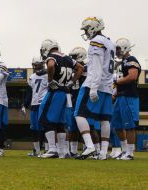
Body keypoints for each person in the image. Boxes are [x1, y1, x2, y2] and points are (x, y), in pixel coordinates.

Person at [74, 17, 115, 160]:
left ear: (92, 27)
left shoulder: (96, 42)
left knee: (79, 114)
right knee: (104, 119)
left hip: (94, 83)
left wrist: (93, 87)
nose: (85, 32)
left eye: (86, 29)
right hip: (107, 86)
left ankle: (90, 147)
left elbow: (97, 66)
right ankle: (103, 152)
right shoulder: (110, 42)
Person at [38, 39, 83, 158]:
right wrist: (72, 82)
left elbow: (51, 65)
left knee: (46, 119)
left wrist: (50, 80)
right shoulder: (68, 58)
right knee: (60, 123)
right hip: (65, 92)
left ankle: (52, 149)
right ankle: (64, 151)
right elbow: (80, 68)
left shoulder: (52, 56)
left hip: (55, 91)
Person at [111, 38, 141, 160]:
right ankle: (124, 151)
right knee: (117, 124)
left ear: (124, 47)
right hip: (120, 96)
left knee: (129, 125)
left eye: (118, 49)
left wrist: (116, 81)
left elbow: (132, 76)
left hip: (129, 96)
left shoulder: (131, 60)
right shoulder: (121, 63)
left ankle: (130, 152)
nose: (117, 51)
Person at [22, 57, 48, 157]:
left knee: (43, 128)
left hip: (43, 104)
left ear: (42, 64)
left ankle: (47, 150)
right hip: (34, 104)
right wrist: (24, 104)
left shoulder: (48, 75)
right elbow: (29, 92)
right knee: (34, 128)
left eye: (37, 64)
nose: (36, 66)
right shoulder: (32, 77)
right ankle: (36, 151)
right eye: (34, 65)